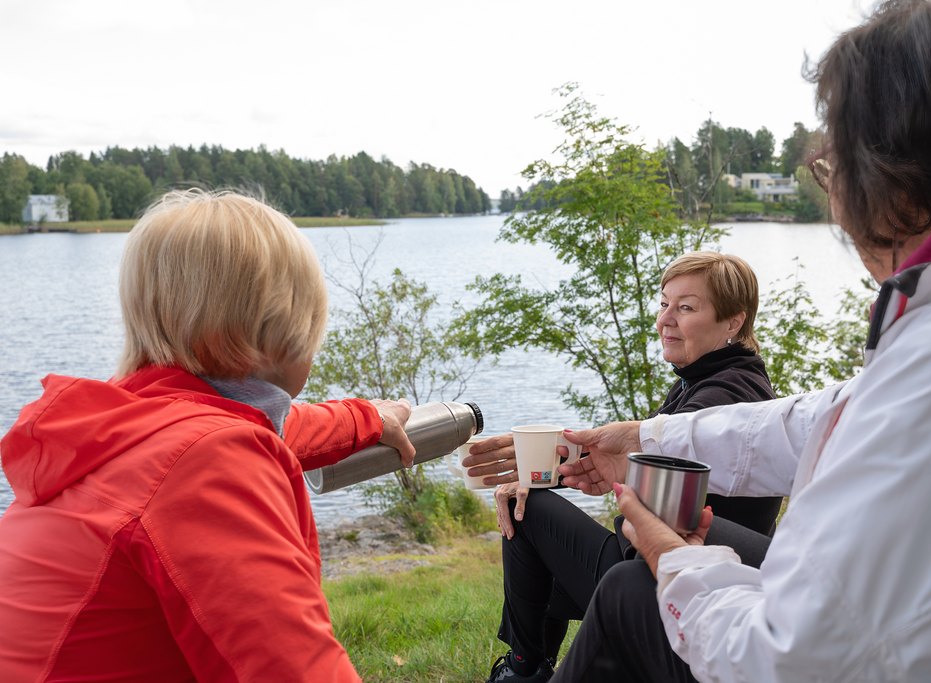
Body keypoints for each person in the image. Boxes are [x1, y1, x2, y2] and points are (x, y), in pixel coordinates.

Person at [547, 1, 931, 681]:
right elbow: (818, 419)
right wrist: (645, 440)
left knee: (631, 590)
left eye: (835, 167)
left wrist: (674, 558)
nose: (837, 197)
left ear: (893, 175)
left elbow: (788, 658)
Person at [0, 189, 416, 681]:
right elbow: (294, 671)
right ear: (282, 328)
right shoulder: (206, 462)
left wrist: (367, 418)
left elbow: (276, 429)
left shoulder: (126, 427)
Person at [470, 252, 781, 682]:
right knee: (537, 549)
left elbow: (657, 471)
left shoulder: (725, 394)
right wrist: (554, 467)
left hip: (666, 572)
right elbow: (638, 457)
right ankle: (525, 666)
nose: (665, 320)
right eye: (663, 303)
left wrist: (549, 474)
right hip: (672, 561)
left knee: (532, 512)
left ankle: (523, 670)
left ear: (733, 322)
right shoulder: (710, 378)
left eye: (686, 307)